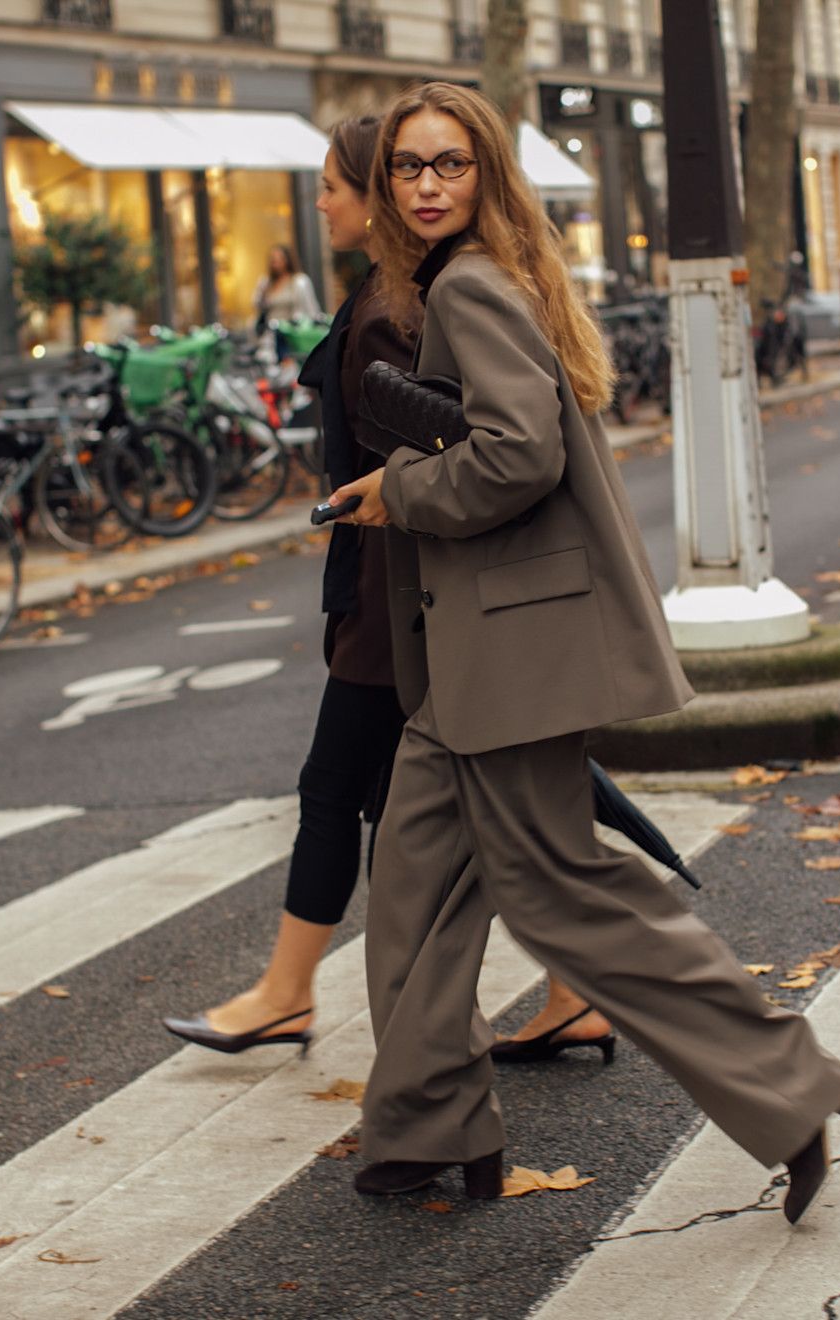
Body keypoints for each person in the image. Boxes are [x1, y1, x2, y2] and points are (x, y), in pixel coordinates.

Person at [326, 82, 840, 1219]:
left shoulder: (468, 287)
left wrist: (400, 490)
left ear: (486, 176)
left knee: (569, 893)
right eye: (409, 169)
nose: (427, 186)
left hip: (513, 654)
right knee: (416, 887)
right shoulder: (470, 280)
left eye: (450, 165)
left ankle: (788, 1086)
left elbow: (517, 458)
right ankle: (427, 1126)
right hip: (476, 660)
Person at [162, 117, 611, 1063]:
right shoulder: (400, 292)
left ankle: (338, 1014)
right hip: (400, 584)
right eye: (409, 167)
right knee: (485, 810)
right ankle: (546, 1004)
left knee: (360, 799)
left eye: (334, 184)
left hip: (399, 592)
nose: (322, 201)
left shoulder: (409, 303)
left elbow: (496, 450)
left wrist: (397, 494)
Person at [252, 244, 322, 335]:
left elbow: (312, 309)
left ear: (287, 260)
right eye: (272, 260)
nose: (275, 263)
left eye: (278, 259)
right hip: (272, 334)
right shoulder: (266, 283)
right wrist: (262, 291)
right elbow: (257, 305)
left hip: (294, 333)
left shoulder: (299, 281)